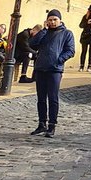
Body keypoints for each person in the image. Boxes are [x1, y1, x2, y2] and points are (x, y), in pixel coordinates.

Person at [27, 10, 75, 138]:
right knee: (41, 99)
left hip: (55, 70)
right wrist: (43, 30)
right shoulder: (45, 33)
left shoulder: (66, 33)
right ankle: (41, 124)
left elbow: (70, 50)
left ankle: (52, 125)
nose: (52, 22)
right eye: (50, 20)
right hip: (41, 68)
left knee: (53, 98)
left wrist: (59, 60)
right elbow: (32, 44)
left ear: (60, 20)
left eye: (55, 20)